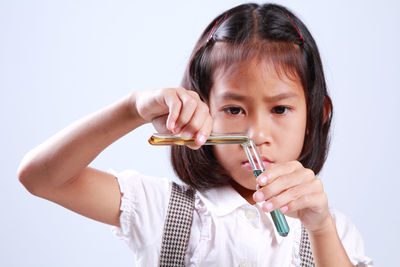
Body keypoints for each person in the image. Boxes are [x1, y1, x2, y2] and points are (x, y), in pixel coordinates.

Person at [18, 3, 373, 266]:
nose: (257, 134)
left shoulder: (333, 232)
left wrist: (321, 227)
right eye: (234, 110)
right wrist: (132, 109)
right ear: (204, 110)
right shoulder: (165, 211)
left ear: (317, 115)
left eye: (280, 109)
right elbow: (42, 178)